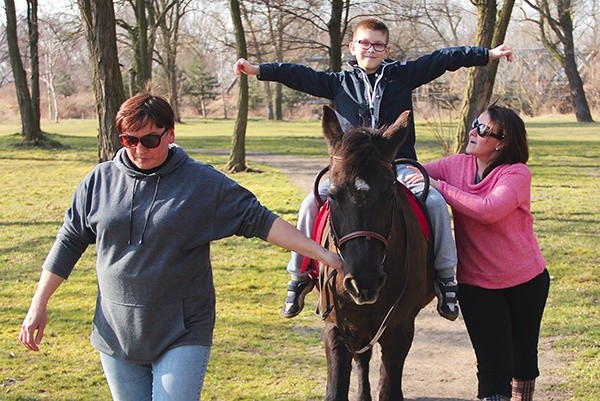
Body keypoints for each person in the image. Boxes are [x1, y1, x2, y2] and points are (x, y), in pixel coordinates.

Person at [19, 92, 343, 401]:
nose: (139, 150)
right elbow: (68, 242)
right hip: (116, 331)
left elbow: (259, 220)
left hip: (182, 331)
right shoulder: (99, 181)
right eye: (129, 140)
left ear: (170, 134)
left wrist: (324, 254)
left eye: (149, 140)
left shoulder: (202, 184)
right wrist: (38, 304)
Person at [233, 17, 513, 321]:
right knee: (310, 203)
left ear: (387, 48)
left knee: (433, 201)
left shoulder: (402, 76)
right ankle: (299, 276)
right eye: (365, 43)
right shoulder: (337, 82)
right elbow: (297, 75)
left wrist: (487, 54)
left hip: (398, 165)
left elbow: (443, 59)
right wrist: (259, 70)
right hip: (351, 172)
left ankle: (445, 279)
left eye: (378, 44)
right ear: (353, 46)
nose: (371, 49)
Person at [406, 104, 550, 401]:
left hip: (526, 282)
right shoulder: (455, 165)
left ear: (501, 142)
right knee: (493, 367)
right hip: (477, 286)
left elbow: (489, 210)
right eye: (475, 123)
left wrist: (439, 187)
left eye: (483, 129)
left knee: (523, 361)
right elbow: (411, 171)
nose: (473, 131)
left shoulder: (517, 174)